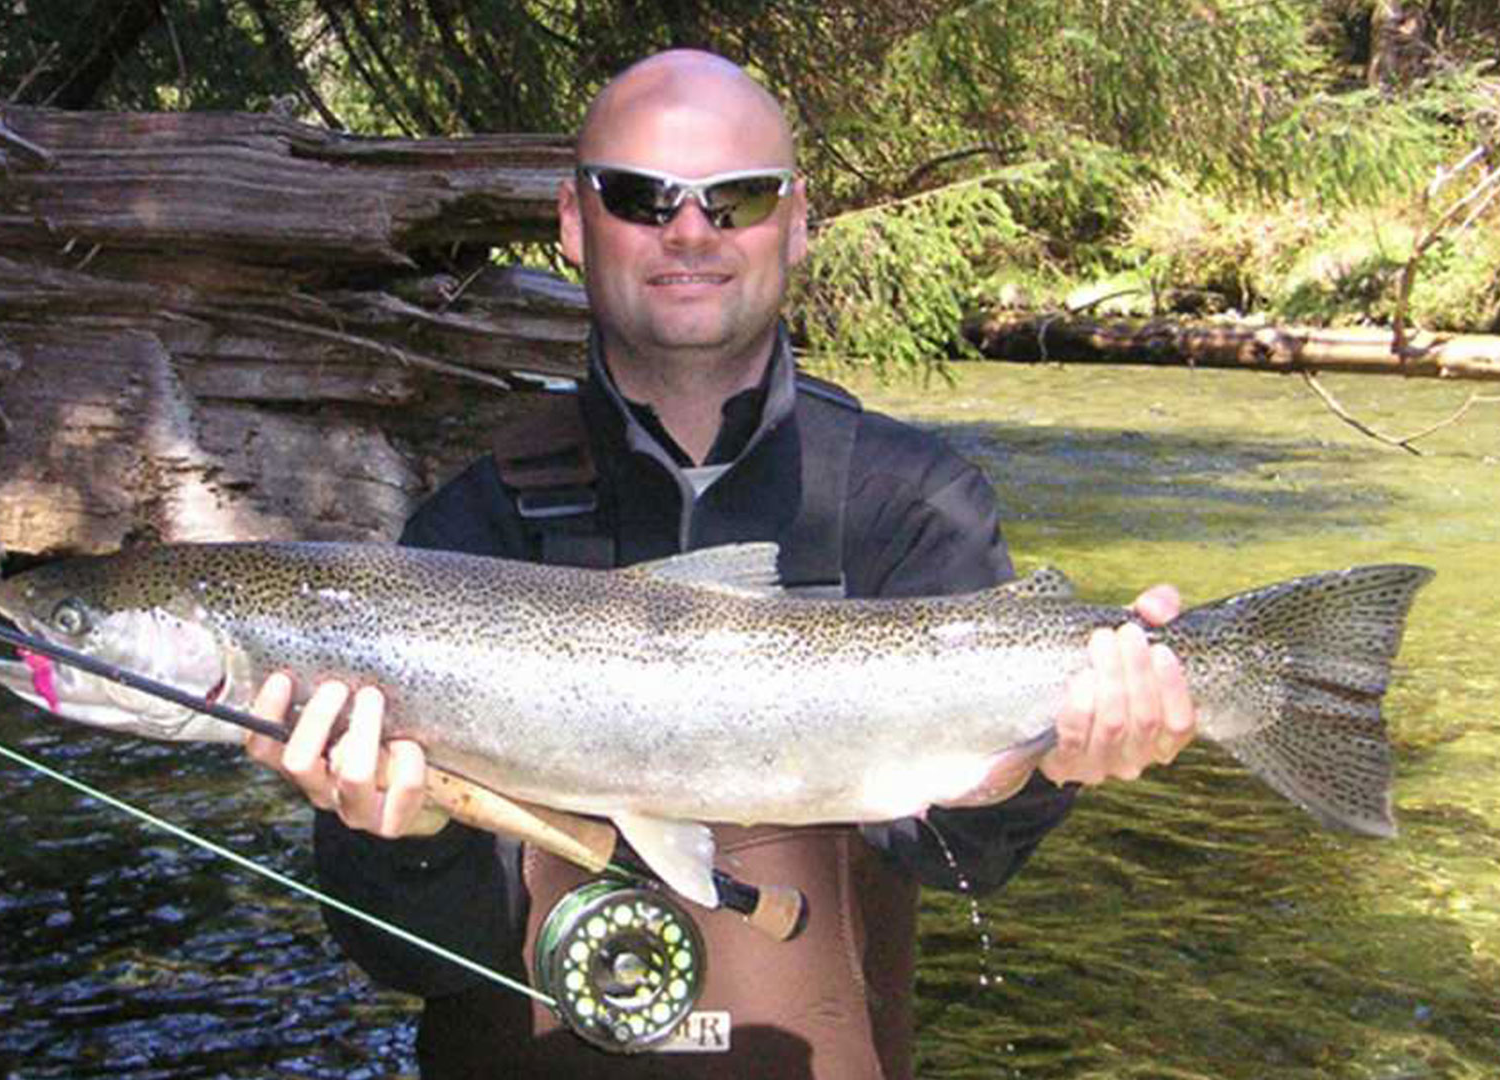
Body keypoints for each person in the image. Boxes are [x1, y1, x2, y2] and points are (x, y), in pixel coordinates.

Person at [244, 50, 1197, 1080]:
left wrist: (1054, 765)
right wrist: (405, 832)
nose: (689, 230)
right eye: (640, 196)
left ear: (795, 223)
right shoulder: (471, 522)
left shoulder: (908, 503)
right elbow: (402, 959)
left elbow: (962, 864)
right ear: (572, 222)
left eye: (734, 198)